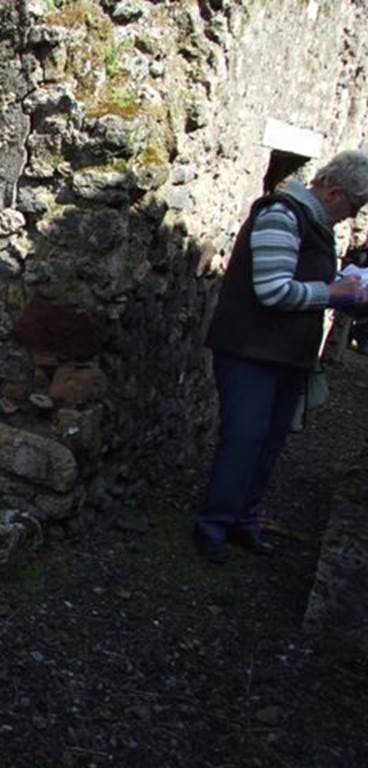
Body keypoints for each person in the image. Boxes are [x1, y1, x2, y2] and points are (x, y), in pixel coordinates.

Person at [197, 149, 368, 564]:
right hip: (249, 350)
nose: (353, 216)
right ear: (331, 190)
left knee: (269, 442)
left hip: (282, 354)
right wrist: (334, 292)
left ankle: (243, 521)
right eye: (353, 204)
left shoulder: (314, 223)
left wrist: (341, 291)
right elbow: (272, 289)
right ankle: (212, 528)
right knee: (244, 439)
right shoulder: (282, 215)